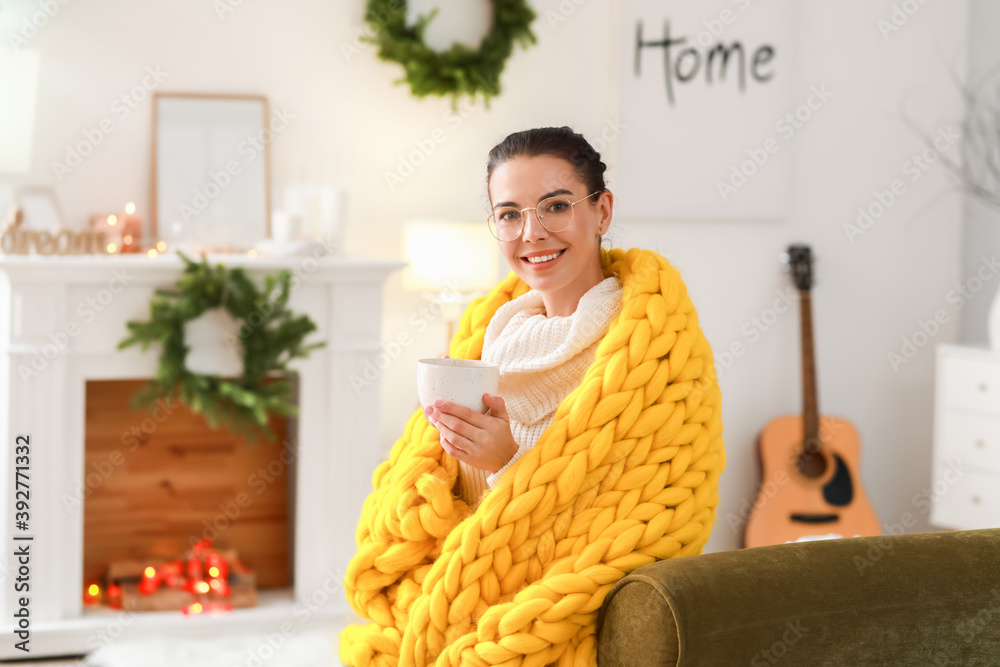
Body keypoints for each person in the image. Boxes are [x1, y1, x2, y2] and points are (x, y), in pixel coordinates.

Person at [422, 126, 625, 507]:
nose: (532, 233)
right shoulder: (494, 334)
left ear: (603, 212)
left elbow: (607, 522)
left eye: (557, 206)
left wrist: (505, 461)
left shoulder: (637, 350)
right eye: (510, 214)